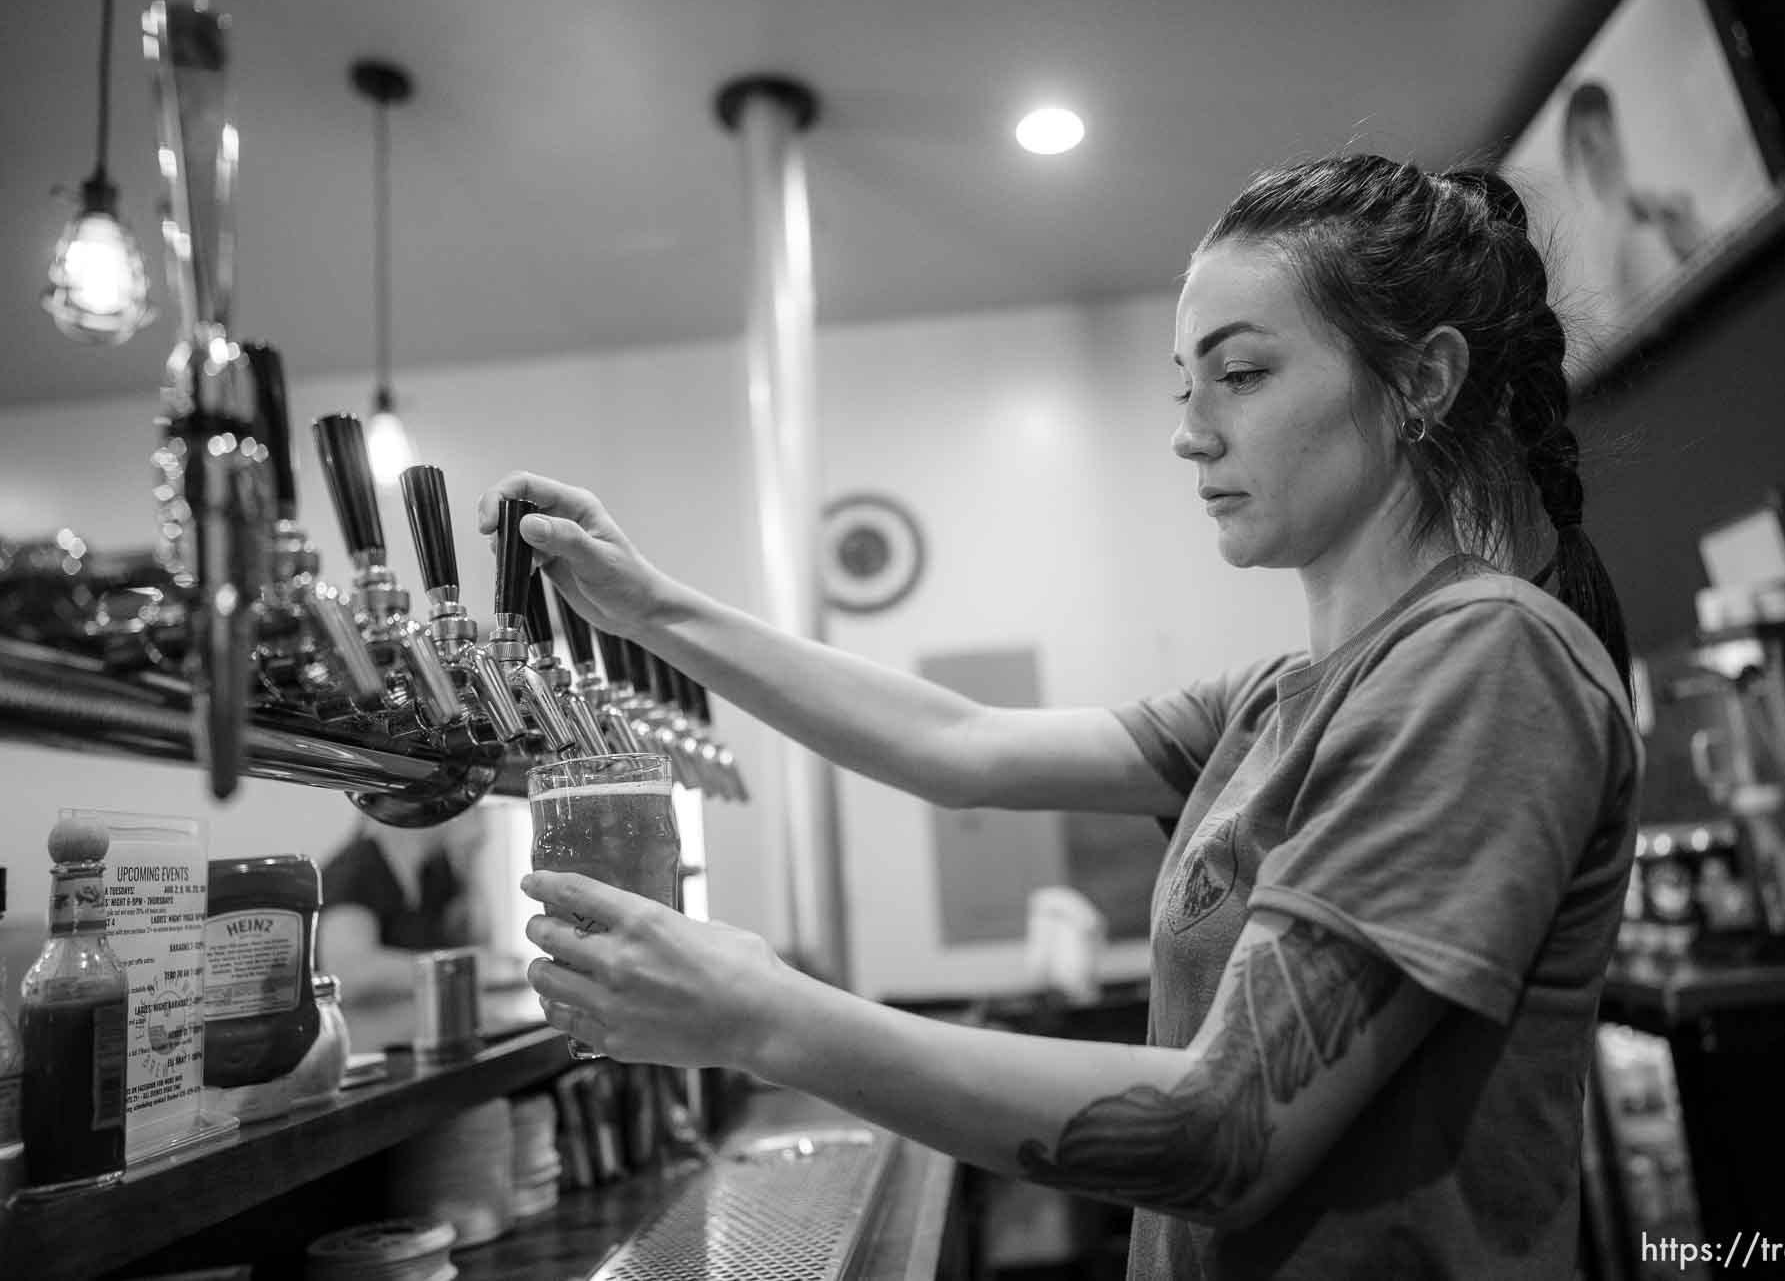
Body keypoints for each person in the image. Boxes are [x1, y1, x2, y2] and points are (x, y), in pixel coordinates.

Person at [479, 154, 1643, 1279]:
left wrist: (757, 1013)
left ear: (1422, 383)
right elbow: (958, 746)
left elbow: (1222, 1128)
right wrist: (651, 607)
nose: (1192, 430)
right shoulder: (1273, 701)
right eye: (1187, 384)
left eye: (1242, 374)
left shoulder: (1491, 660)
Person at [318, 807, 520, 1000]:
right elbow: (348, 972)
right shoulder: (356, 869)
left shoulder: (437, 871)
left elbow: (480, 945)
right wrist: (457, 970)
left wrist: (471, 862)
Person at [1560, 79, 1706, 329]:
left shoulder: (1664, 206)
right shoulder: (1589, 247)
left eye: (1605, 126)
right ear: (1573, 158)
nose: (1601, 144)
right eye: (1586, 142)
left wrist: (1695, 245)